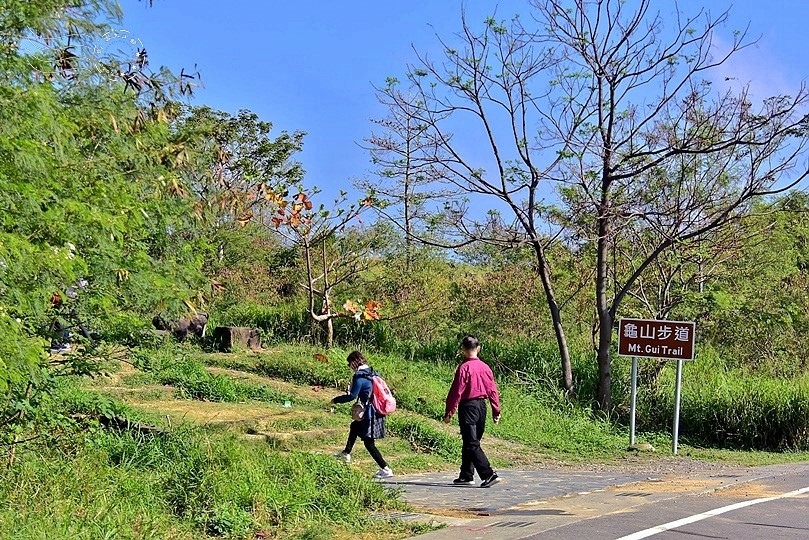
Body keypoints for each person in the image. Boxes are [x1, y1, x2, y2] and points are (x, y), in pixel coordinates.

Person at [443, 335, 501, 488]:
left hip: (468, 406)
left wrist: (449, 411)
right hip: (482, 407)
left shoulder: (464, 368)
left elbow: (456, 391)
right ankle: (466, 475)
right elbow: (493, 390)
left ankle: (488, 474)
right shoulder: (485, 367)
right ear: (478, 348)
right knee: (471, 442)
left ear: (462, 349)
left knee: (471, 443)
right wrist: (496, 410)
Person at [331, 350, 393, 479]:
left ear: (354, 362)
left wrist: (335, 400)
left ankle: (385, 469)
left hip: (370, 414)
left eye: (349, 364)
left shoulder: (359, 377)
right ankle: (346, 452)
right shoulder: (373, 373)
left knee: (369, 443)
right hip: (377, 412)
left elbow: (352, 396)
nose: (350, 367)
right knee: (354, 426)